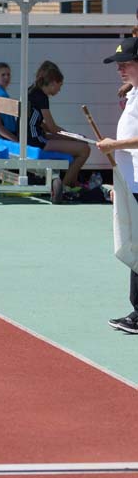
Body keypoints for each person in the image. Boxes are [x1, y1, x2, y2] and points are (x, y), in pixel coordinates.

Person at [98, 37, 138, 333]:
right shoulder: (133, 93)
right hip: (130, 181)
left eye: (126, 63)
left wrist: (115, 145)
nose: (120, 68)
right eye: (118, 64)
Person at [24, 60, 90, 190]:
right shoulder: (41, 97)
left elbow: (40, 124)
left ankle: (72, 182)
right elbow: (52, 128)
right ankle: (64, 187)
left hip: (32, 137)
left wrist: (72, 137)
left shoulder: (32, 90)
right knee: (84, 149)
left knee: (79, 143)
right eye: (60, 86)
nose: (59, 89)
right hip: (36, 141)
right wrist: (74, 137)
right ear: (53, 82)